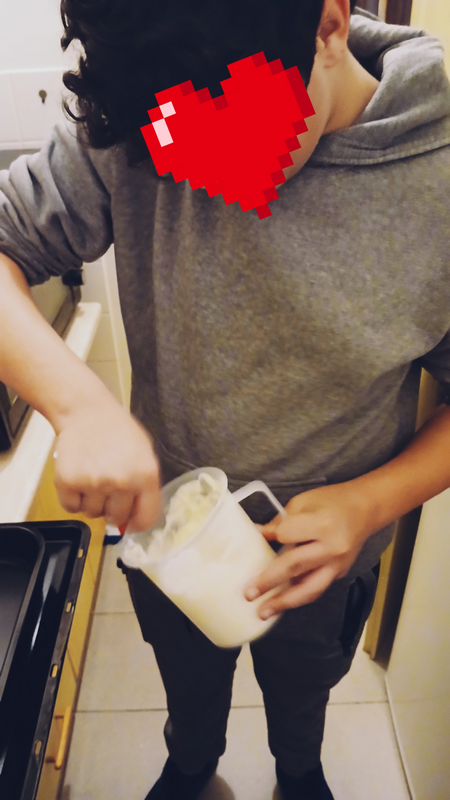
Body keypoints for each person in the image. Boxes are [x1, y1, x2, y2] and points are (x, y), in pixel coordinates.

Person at [1, 1, 450, 798]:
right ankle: (192, 761)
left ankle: (299, 769)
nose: (209, 186)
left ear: (329, 24)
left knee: (303, 695)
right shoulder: (143, 100)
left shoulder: (437, 174)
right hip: (173, 538)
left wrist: (373, 502)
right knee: (189, 686)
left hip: (329, 553)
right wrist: (77, 404)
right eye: (175, 152)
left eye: (241, 143)